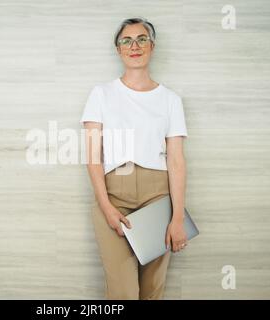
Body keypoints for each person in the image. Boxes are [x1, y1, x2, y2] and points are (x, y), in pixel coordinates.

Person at [80, 17, 189, 300]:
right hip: (114, 197)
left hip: (157, 197)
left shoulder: (170, 100)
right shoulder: (101, 94)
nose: (134, 46)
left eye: (141, 39)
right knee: (123, 292)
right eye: (126, 41)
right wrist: (105, 206)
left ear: (152, 46)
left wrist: (177, 218)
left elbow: (176, 161)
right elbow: (93, 156)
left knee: (153, 290)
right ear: (118, 50)